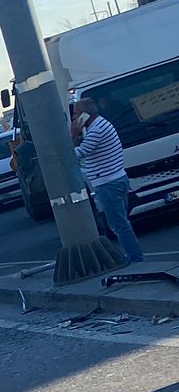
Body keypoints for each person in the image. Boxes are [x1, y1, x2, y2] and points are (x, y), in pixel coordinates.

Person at [74, 95, 142, 265]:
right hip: (116, 179)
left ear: (85, 115)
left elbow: (76, 155)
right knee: (120, 222)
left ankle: (135, 258)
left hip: (108, 183)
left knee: (119, 224)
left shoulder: (96, 130)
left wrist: (72, 136)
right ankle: (133, 255)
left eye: (76, 114)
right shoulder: (101, 124)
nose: (74, 118)